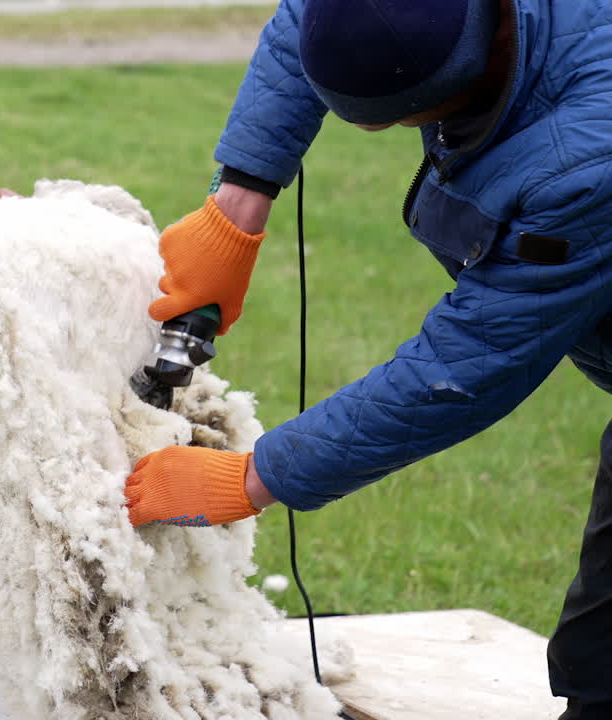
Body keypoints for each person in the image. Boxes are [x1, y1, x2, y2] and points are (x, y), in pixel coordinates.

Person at [121, 1, 612, 717]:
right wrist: (240, 199)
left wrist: (254, 476)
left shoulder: (584, 164)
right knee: (599, 660)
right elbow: (315, 19)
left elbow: (468, 365)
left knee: (604, 662)